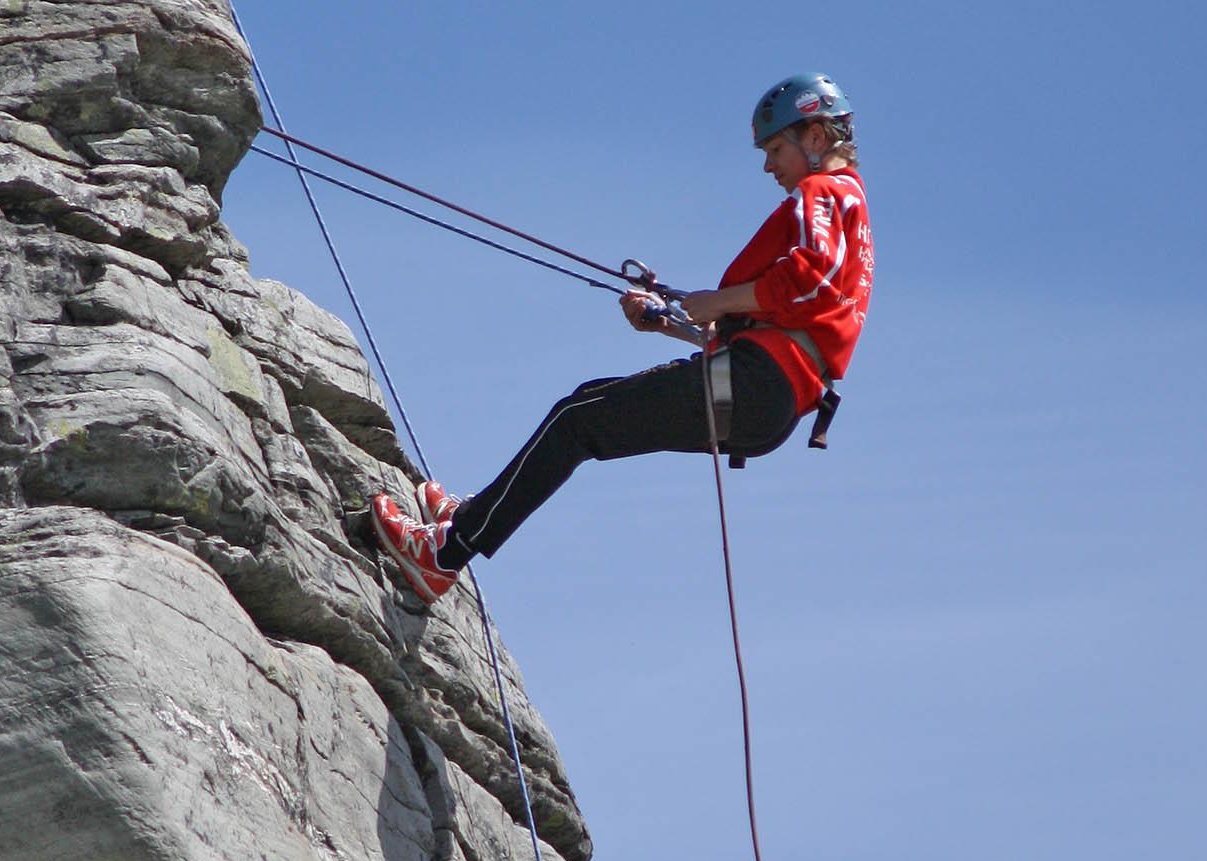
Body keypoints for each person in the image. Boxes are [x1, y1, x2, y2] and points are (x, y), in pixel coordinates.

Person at [372, 72, 875, 604]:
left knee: (576, 422)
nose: (768, 165)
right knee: (586, 407)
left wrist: (716, 302)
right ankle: (472, 518)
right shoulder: (852, 217)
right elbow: (788, 318)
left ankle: (444, 556)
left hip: (759, 384)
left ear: (815, 138)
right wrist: (673, 323)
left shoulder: (825, 192)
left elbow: (809, 277)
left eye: (775, 147)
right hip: (766, 394)